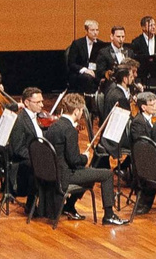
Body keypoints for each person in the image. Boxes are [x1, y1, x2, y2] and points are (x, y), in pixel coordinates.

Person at [48, 93, 128, 225]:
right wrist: (85, 157)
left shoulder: (54, 126)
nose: (82, 115)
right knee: (107, 174)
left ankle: (69, 206)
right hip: (65, 176)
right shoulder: (69, 130)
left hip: (55, 172)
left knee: (90, 174)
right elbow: (74, 160)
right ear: (76, 111)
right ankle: (109, 215)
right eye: (81, 111)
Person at [66, 20, 113, 92]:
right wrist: (85, 70)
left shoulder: (101, 45)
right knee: (87, 78)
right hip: (79, 73)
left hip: (95, 72)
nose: (95, 33)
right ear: (86, 31)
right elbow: (71, 63)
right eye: (92, 30)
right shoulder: (77, 43)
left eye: (97, 30)